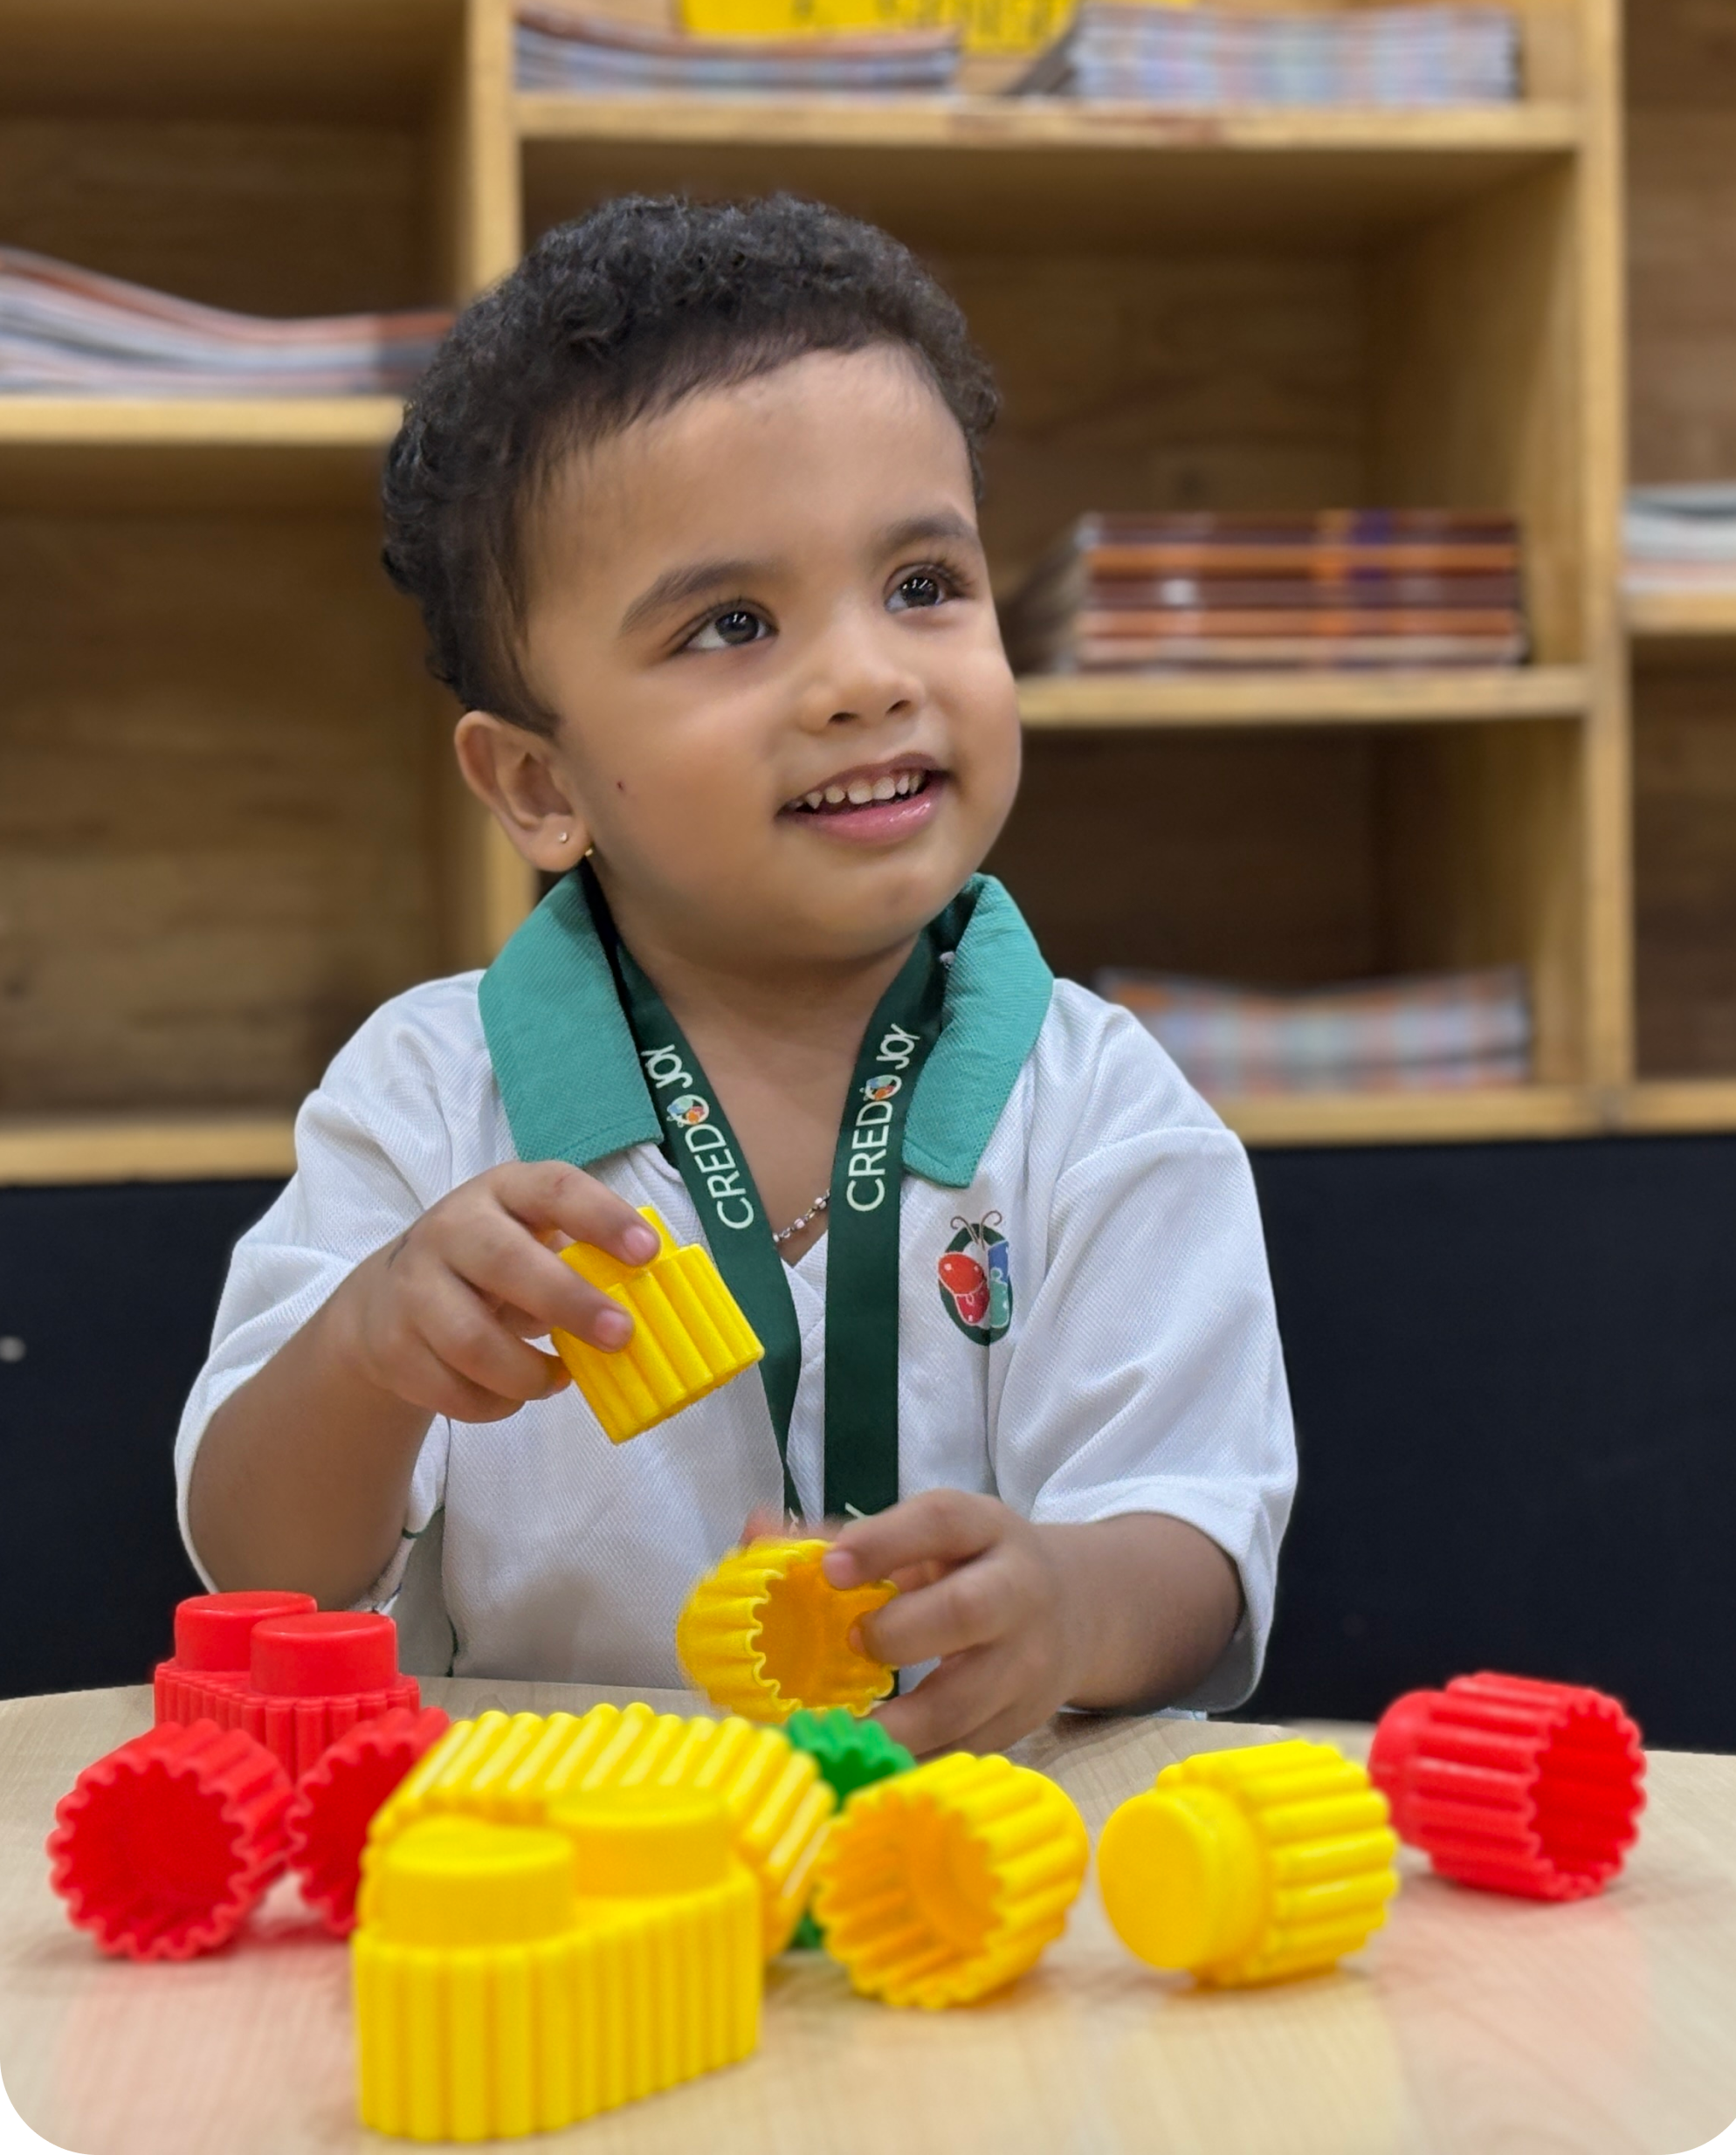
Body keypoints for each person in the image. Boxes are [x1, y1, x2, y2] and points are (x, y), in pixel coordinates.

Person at [178, 195, 1295, 1756]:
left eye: (924, 584)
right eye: (734, 623)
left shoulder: (1103, 1102)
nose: (866, 679)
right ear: (539, 786)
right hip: (557, 1851)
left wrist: (1068, 1604)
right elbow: (259, 1567)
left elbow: (1197, 1545)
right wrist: (373, 1350)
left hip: (970, 1855)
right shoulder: (433, 1095)